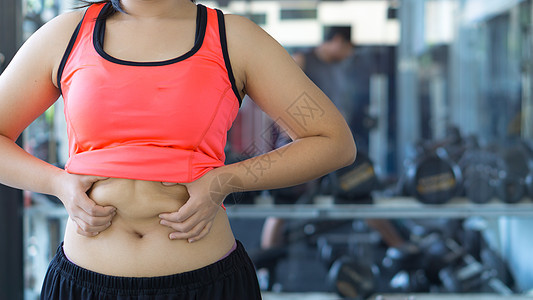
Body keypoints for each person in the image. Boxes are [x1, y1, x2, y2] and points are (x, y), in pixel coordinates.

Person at [0, 0, 356, 298]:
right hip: (84, 281)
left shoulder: (235, 38)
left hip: (206, 280)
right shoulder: (66, 35)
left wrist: (225, 181)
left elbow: (332, 141)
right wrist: (59, 184)